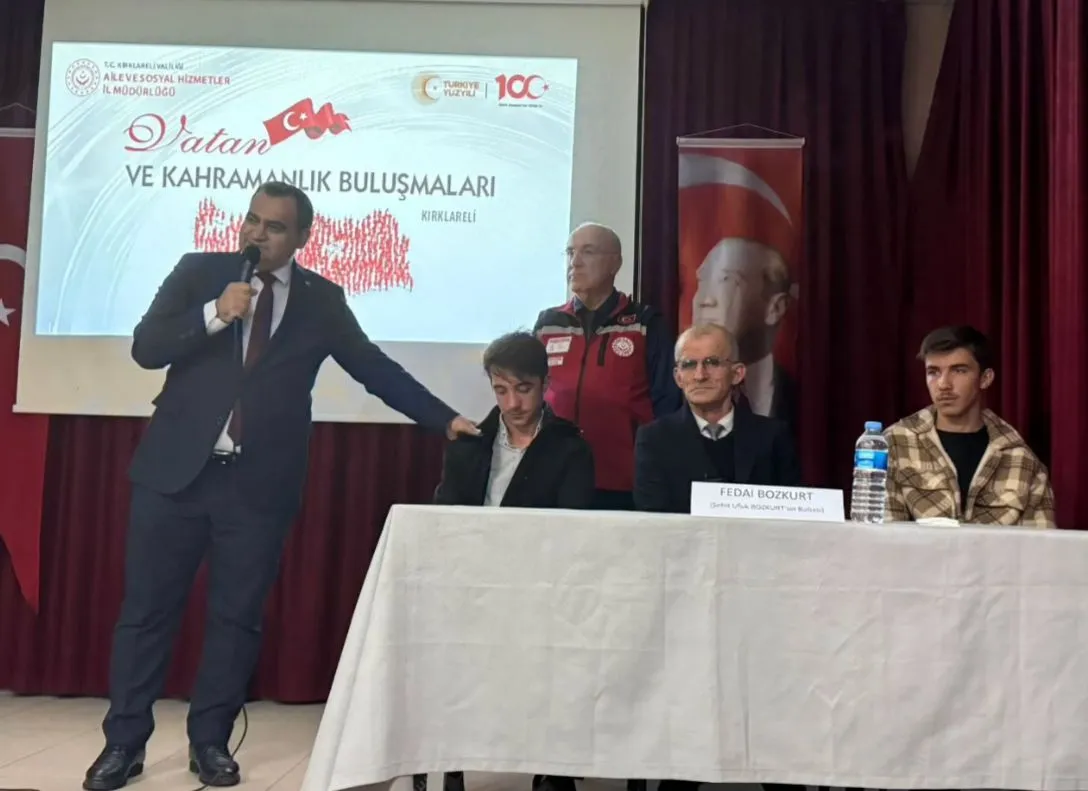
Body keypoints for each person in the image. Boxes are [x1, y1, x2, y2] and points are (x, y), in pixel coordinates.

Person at [84, 182, 479, 791]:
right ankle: (123, 744)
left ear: (301, 237)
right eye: (252, 220)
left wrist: (443, 418)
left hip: (257, 484)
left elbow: (373, 368)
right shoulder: (199, 272)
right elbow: (146, 348)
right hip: (174, 477)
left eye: (273, 227)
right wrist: (215, 313)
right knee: (146, 614)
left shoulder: (322, 300)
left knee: (236, 619)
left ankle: (210, 743)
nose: (256, 233)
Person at [413, 331, 594, 791]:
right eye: (501, 390)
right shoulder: (469, 444)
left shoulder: (570, 447)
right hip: (472, 583)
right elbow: (444, 521)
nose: (513, 403)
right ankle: (451, 757)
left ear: (545, 384)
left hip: (540, 586)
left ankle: (551, 765)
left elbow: (573, 533)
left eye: (524, 389)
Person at [534, 222, 681, 511]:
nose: (574, 262)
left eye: (587, 252)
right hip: (555, 475)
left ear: (616, 263)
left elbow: (668, 402)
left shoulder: (644, 323)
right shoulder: (548, 323)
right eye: (570, 252)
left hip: (623, 478)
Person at [885, 325, 1055, 527]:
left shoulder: (1021, 459)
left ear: (985, 378)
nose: (943, 384)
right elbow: (880, 537)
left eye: (959, 370)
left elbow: (1041, 543)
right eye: (933, 372)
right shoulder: (896, 444)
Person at [634, 323, 801, 514]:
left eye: (712, 362)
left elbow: (792, 515)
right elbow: (652, 518)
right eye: (689, 365)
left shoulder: (773, 437)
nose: (700, 375)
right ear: (678, 378)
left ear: (737, 373)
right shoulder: (654, 439)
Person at [692, 237, 797, 431]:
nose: (704, 301)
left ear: (775, 308)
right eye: (701, 281)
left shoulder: (806, 400)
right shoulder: (671, 392)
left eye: (726, 281)